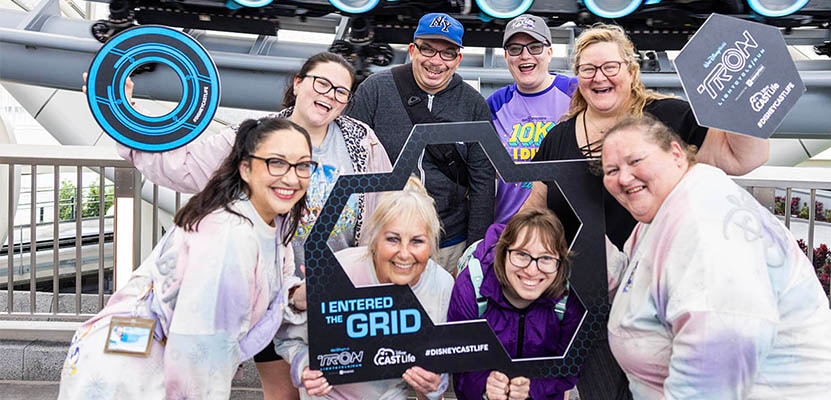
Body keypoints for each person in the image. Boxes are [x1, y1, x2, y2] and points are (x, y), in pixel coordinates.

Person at [115, 52, 391, 398]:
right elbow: (181, 164)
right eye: (322, 83)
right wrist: (120, 113)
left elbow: (386, 202)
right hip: (264, 293)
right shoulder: (253, 144)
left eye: (341, 91)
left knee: (331, 391)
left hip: (329, 294)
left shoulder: (360, 141)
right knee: (282, 393)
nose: (329, 95)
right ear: (298, 83)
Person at [599, 115, 831, 399]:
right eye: (611, 171)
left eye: (636, 161)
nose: (624, 177)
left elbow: (719, 349)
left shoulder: (704, 228)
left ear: (676, 153)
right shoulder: (663, 213)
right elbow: (638, 281)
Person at [58, 118, 313, 399]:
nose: (292, 177)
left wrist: (295, 297)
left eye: (303, 165)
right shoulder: (230, 236)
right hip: (128, 376)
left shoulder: (271, 224)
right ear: (245, 168)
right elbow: (201, 353)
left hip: (134, 359)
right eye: (276, 162)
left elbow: (267, 289)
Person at [523, 23, 770, 249]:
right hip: (577, 288)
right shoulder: (557, 138)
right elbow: (533, 212)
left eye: (610, 67)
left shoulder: (670, 117)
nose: (599, 77)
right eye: (588, 69)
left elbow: (741, 159)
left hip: (661, 279)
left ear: (631, 72)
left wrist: (742, 94)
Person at [275, 177, 453, 399]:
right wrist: (304, 367)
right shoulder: (341, 270)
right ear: (375, 240)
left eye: (417, 241)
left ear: (431, 243)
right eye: (393, 239)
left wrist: (433, 386)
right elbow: (287, 337)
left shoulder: (442, 286)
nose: (405, 253)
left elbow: (436, 370)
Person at [345, 12, 495, 272]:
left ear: (458, 59)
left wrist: (475, 250)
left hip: (449, 244)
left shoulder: (473, 105)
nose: (436, 61)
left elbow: (483, 180)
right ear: (413, 50)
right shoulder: (375, 89)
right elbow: (349, 161)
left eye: (447, 53)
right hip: (384, 239)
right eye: (428, 49)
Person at [447, 209, 585, 400]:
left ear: (560, 262)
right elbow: (459, 358)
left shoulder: (570, 296)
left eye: (546, 258)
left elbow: (570, 366)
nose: (531, 270)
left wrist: (532, 387)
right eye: (521, 254)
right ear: (503, 254)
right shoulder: (471, 287)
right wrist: (485, 384)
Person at [486, 14, 577, 224]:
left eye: (535, 47)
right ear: (506, 56)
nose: (525, 56)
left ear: (550, 52)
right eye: (515, 49)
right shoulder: (496, 103)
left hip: (564, 226)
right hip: (509, 228)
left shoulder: (575, 92)